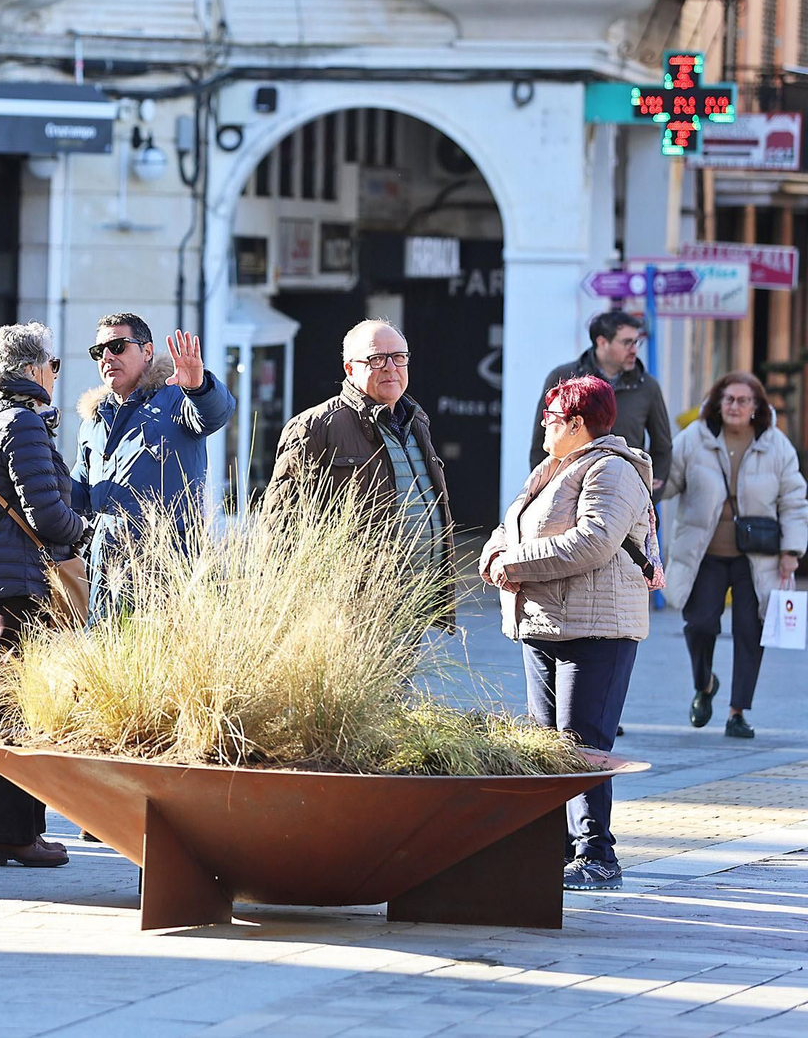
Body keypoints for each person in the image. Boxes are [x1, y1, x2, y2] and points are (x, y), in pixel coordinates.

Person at [480, 375, 653, 891]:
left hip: (597, 630)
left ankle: (597, 855)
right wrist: (494, 554)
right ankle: (553, 850)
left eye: (551, 417)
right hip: (544, 623)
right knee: (546, 745)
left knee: (582, 745)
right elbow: (511, 527)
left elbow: (593, 542)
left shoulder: (611, 469)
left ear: (577, 424)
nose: (543, 425)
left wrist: (514, 564)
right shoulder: (553, 468)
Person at [0, 323, 85, 868]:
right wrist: (85, 528)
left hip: (1, 582)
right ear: (32, 369)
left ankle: (11, 832)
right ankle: (12, 834)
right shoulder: (24, 423)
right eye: (53, 365)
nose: (56, 374)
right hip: (24, 583)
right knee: (22, 706)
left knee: (12, 701)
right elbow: (48, 514)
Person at [270, 319, 455, 624]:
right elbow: (282, 526)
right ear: (349, 369)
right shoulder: (314, 427)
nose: (390, 368)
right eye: (376, 359)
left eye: (399, 357)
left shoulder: (416, 422)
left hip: (415, 604)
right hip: (351, 612)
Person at [661, 372, 807, 739]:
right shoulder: (694, 438)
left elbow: (793, 500)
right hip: (704, 552)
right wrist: (644, 481)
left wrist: (791, 551)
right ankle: (705, 684)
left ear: (757, 406)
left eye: (743, 400)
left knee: (749, 629)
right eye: (728, 399)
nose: (735, 406)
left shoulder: (775, 445)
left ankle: (737, 712)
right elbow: (668, 482)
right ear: (717, 402)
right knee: (699, 623)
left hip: (757, 557)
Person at [71, 312, 234, 617]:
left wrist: (199, 388)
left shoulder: (174, 398)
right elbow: (81, 494)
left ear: (147, 351)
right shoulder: (94, 420)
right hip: (105, 572)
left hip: (166, 569)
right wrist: (44, 470)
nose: (107, 357)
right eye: (99, 351)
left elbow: (216, 414)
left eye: (118, 346)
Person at [530, 310, 672, 497]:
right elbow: (540, 442)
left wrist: (650, 493)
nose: (634, 350)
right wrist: (543, 493)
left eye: (636, 342)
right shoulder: (563, 378)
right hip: (567, 496)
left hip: (625, 497)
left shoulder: (647, 387)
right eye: (627, 342)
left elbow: (663, 446)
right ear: (602, 342)